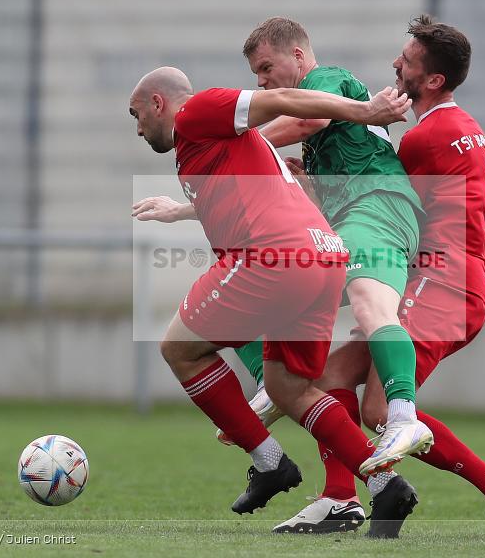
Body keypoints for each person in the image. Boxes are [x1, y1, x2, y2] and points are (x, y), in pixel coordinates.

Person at [270, 16, 485, 540]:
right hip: (450, 276)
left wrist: (313, 175)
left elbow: (381, 199)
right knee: (328, 381)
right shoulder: (457, 127)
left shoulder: (426, 136)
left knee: (379, 408)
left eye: (409, 61)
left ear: (433, 80)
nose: (397, 64)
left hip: (448, 281)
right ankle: (340, 498)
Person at [129, 66, 418, 538]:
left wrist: (365, 111)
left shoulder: (197, 113)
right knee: (290, 387)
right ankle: (386, 484)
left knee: (179, 349)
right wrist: (178, 211)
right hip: (323, 256)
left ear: (159, 103)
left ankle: (270, 463)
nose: (138, 128)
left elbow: (284, 98)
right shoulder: (215, 146)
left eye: (136, 114)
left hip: (272, 256)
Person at [228, 17, 434, 477]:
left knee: (369, 304)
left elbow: (308, 118)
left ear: (298, 56)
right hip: (349, 221)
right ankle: (272, 387)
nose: (261, 82)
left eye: (266, 68)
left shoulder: (325, 79)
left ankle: (404, 417)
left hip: (378, 207)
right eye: (256, 74)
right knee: (255, 285)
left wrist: (238, 144)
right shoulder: (322, 135)